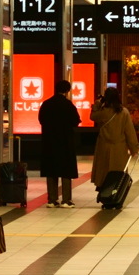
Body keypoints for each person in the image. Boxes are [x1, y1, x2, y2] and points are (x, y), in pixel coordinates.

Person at [38, 79, 81, 208]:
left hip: (49, 141)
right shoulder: (68, 105)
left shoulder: (46, 104)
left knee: (51, 170)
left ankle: (52, 199)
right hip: (65, 142)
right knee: (66, 170)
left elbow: (41, 120)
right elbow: (76, 121)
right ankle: (66, 200)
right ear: (67, 91)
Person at [90, 87, 139, 192]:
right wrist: (133, 147)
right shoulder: (124, 112)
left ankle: (104, 191)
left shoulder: (103, 112)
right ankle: (116, 192)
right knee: (118, 172)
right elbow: (129, 131)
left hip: (103, 147)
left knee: (104, 172)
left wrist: (97, 104)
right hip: (119, 148)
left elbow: (93, 116)